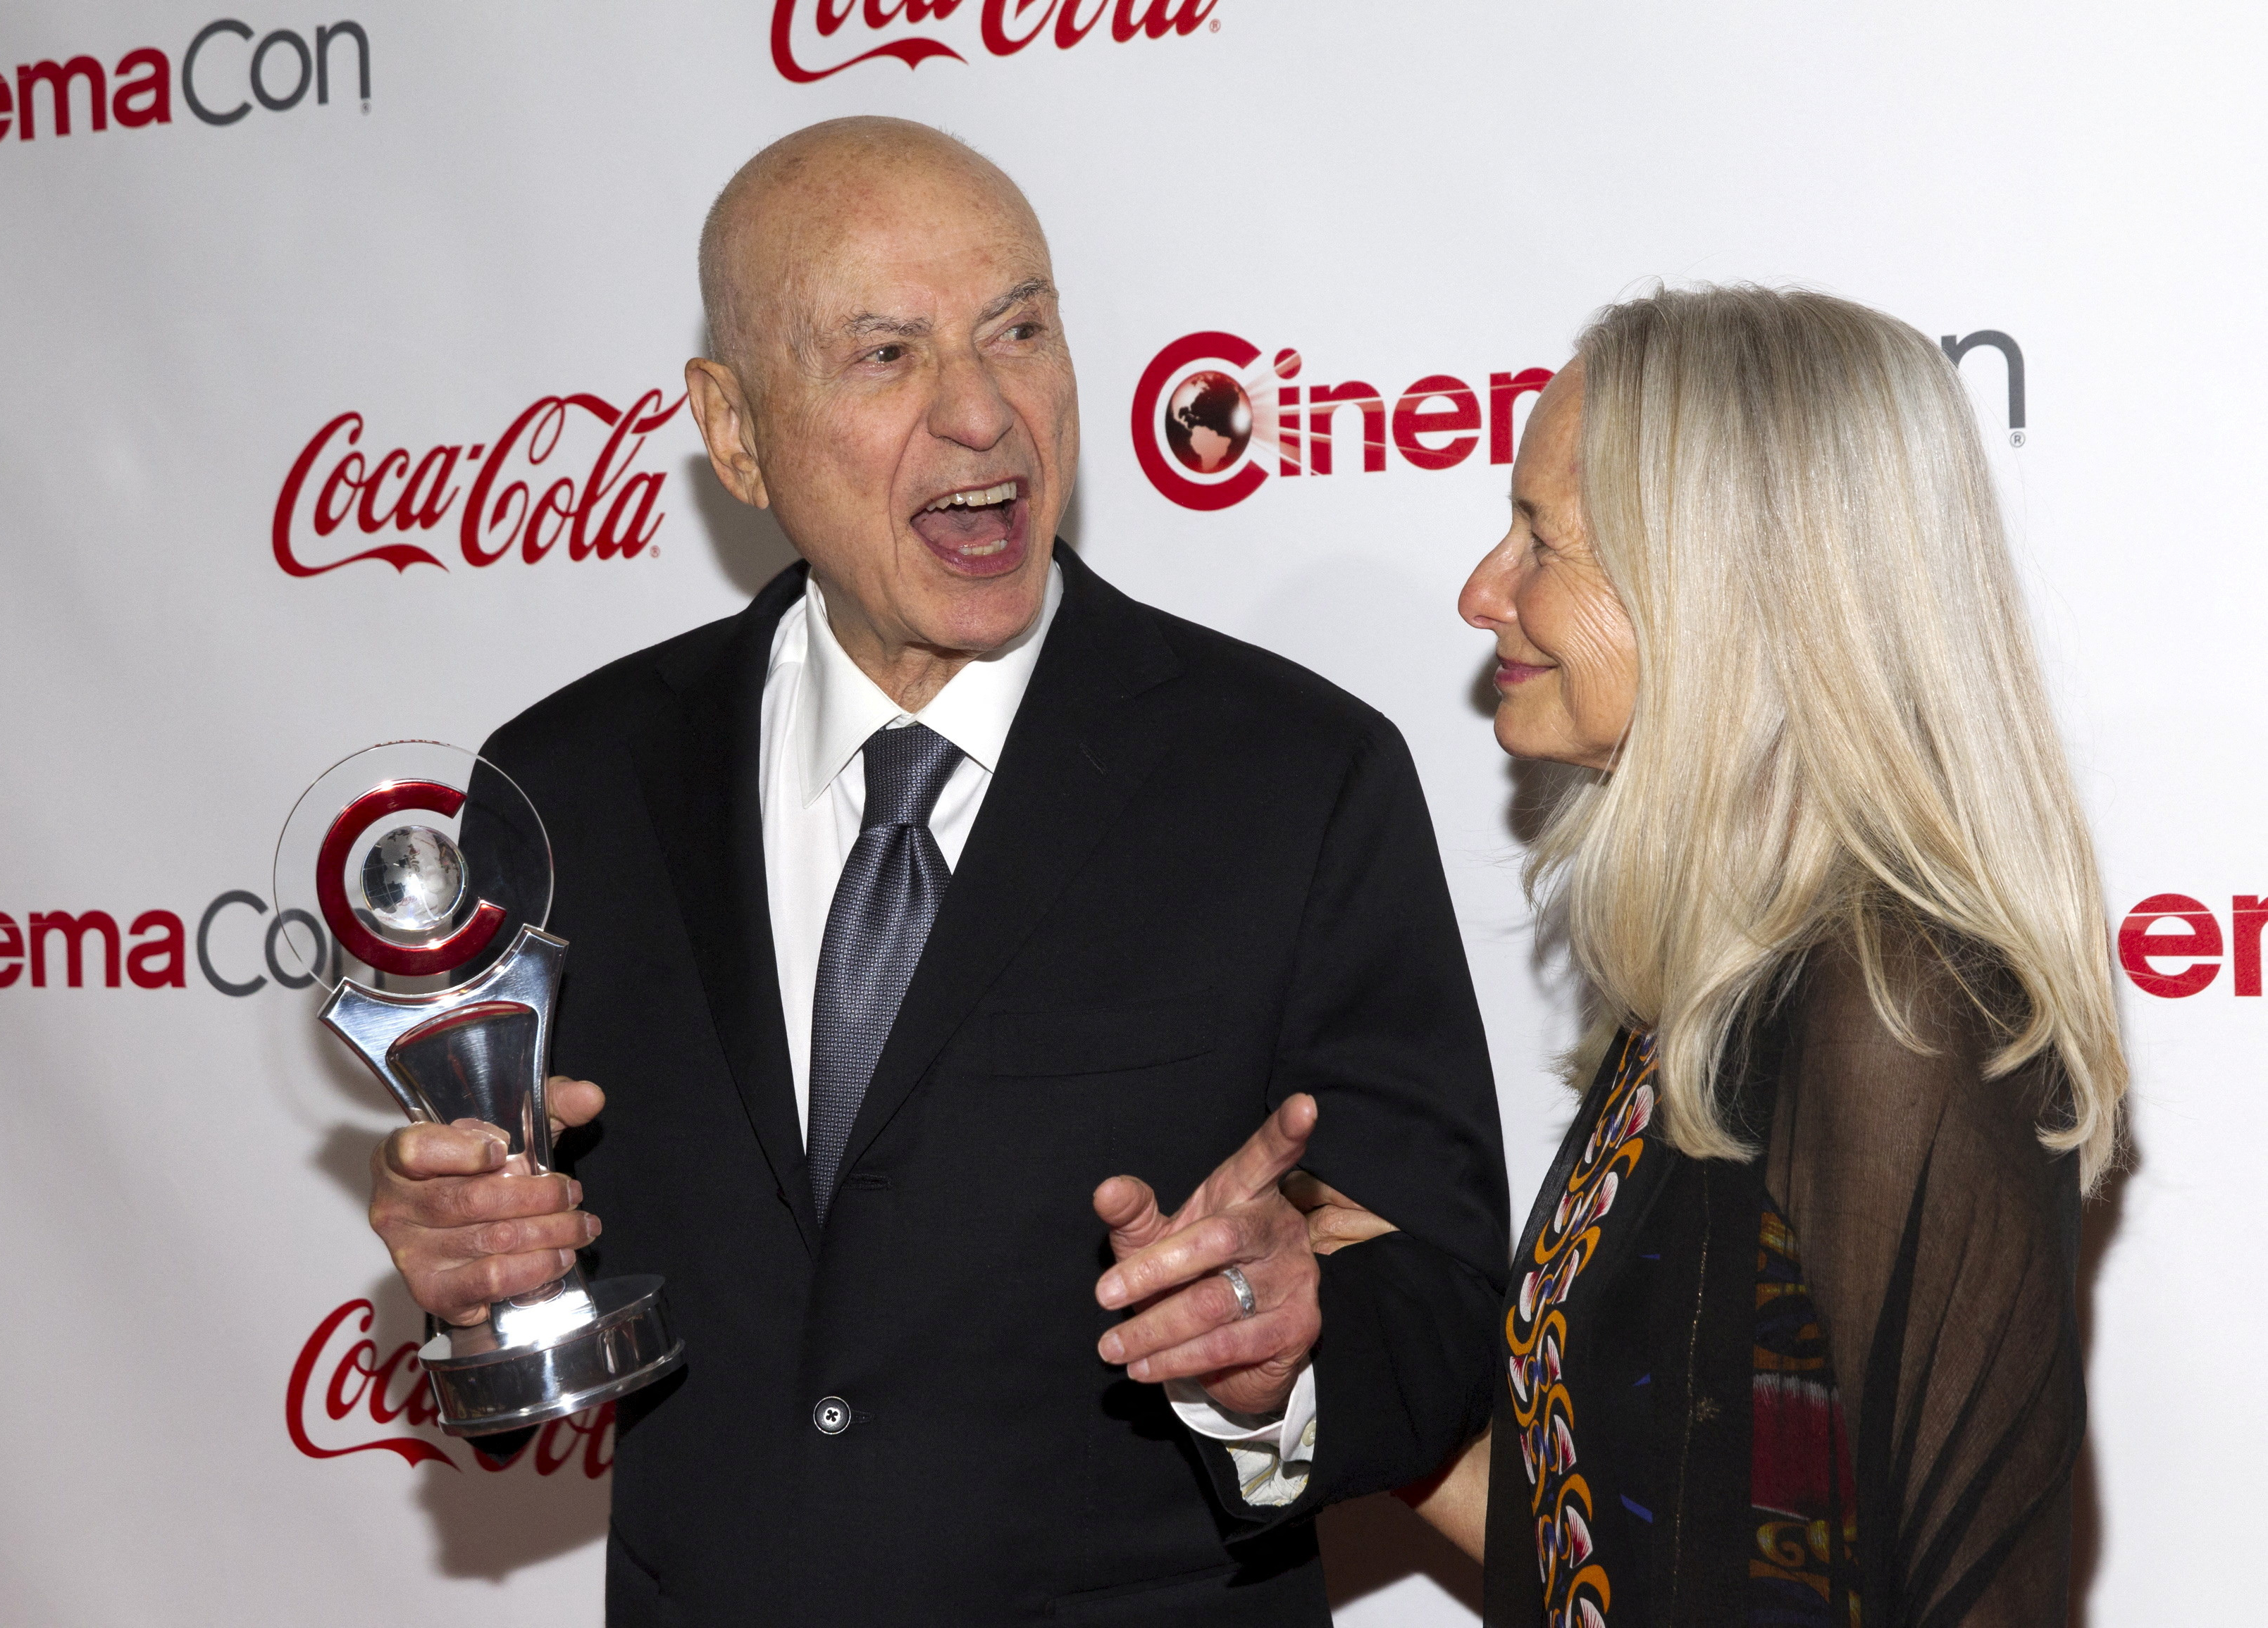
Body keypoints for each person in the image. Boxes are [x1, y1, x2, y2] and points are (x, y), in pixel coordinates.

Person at [363, 117, 1508, 1625]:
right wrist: (476, 1275)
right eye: (887, 354)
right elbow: (539, 1328)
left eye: (1019, 329)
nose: (983, 413)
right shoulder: (567, 784)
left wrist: (1280, 1353)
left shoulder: (1295, 776)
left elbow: (1432, 1315)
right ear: (735, 429)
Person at [1411, 285, 2121, 1626]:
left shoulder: (1898, 1011)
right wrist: (1338, 1372)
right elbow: (1629, 1545)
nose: (1482, 591)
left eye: (1541, 537)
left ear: (1720, 585)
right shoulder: (1710, 992)